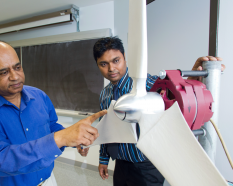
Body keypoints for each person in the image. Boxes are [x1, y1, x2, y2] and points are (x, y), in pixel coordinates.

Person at [79, 36, 225, 186]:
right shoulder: (105, 94)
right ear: (97, 65)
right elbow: (107, 128)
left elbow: (174, 96)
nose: (111, 69)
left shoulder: (147, 85)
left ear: (125, 59)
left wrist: (192, 78)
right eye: (103, 64)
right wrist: (103, 160)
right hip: (121, 164)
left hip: (147, 166)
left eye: (116, 61)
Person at [0, 41, 107, 186]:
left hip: (48, 180)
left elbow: (51, 126)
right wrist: (61, 138)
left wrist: (74, 136)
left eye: (17, 67)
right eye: (4, 72)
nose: (15, 76)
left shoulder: (39, 96)